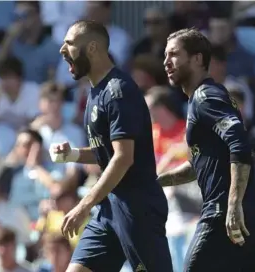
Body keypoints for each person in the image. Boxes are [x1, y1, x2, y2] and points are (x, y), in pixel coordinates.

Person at [50, 20, 173, 272]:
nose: (63, 50)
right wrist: (72, 154)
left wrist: (83, 206)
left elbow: (123, 158)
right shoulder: (95, 93)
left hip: (137, 210)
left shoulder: (119, 91)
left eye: (70, 43)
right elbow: (105, 153)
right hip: (109, 210)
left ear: (93, 48)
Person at [158, 28, 255, 272]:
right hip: (252, 212)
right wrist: (155, 181)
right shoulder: (205, 99)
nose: (166, 62)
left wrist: (233, 205)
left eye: (174, 54)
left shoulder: (205, 96)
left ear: (197, 58)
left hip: (224, 213)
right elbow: (199, 166)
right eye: (165, 55)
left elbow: (239, 144)